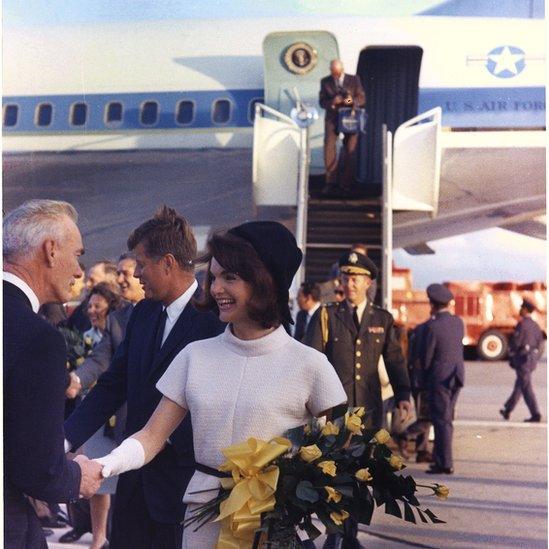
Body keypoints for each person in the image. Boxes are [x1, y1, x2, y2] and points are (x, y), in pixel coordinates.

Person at [94, 221, 348, 548]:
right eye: (213, 277)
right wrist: (103, 466)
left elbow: (339, 454)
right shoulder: (194, 356)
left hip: (275, 526)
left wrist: (306, 499)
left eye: (230, 277)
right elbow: (150, 437)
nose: (215, 289)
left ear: (265, 282)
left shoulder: (310, 365)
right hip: (202, 523)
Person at [64, 206, 224, 549]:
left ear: (167, 263)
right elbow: (113, 384)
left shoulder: (215, 321)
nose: (136, 275)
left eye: (142, 264)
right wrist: (65, 438)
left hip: (182, 489)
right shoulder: (143, 312)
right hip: (134, 487)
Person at [3, 199, 103, 549]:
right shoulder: (37, 338)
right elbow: (37, 470)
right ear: (50, 250)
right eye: (77, 254)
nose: (79, 270)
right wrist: (77, 477)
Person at [305, 250, 410, 549]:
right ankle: (333, 534)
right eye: (345, 276)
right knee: (332, 474)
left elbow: (395, 361)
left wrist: (404, 395)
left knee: (362, 475)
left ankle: (351, 535)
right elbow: (311, 361)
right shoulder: (327, 315)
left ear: (368, 283)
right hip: (334, 414)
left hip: (368, 414)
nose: (349, 282)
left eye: (355, 278)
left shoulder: (382, 319)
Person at [62, 253, 145, 545]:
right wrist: (75, 379)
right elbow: (103, 360)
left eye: (128, 272)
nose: (122, 279)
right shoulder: (120, 318)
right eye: (119, 273)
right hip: (116, 421)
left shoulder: (184, 315)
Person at [422, 284, 464, 475]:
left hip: (439, 378)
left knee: (441, 420)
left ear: (432, 304)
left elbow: (427, 358)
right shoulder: (458, 322)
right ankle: (442, 459)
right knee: (446, 418)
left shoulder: (432, 326)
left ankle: (445, 463)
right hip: (456, 376)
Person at [319, 59, 366, 193]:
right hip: (333, 118)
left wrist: (348, 100)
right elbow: (322, 102)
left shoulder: (354, 80)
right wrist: (332, 102)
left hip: (350, 118)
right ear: (331, 71)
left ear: (342, 70)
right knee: (329, 147)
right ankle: (330, 181)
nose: (336, 76)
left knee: (350, 149)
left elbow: (361, 99)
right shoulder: (325, 82)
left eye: (338, 73)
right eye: (334, 73)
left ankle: (346, 183)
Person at [500, 298, 545, 423]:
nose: (520, 310)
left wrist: (511, 354)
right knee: (521, 385)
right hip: (531, 360)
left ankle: (535, 414)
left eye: (522, 308)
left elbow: (516, 342)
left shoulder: (522, 324)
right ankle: (507, 409)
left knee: (525, 387)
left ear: (526, 310)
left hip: (523, 359)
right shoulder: (535, 325)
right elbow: (540, 343)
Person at [67, 260, 118, 333]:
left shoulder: (120, 313)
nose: (87, 284)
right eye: (87, 279)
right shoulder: (82, 309)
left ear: (109, 283)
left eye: (92, 280)